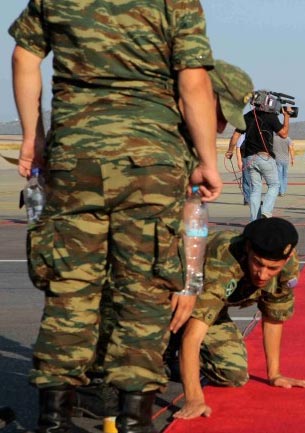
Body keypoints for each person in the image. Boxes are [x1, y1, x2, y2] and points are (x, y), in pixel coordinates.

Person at [10, 1, 225, 431]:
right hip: (149, 160)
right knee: (143, 293)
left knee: (70, 288)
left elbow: (23, 56)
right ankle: (134, 419)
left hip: (76, 156)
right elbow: (194, 80)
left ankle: (54, 420)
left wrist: (32, 136)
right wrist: (206, 158)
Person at [171, 217, 305, 420]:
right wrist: (194, 398)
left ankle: (172, 351)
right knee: (138, 368)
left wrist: (274, 375)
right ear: (248, 248)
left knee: (233, 374)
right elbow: (192, 336)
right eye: (258, 264)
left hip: (208, 304)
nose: (263, 274)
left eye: (272, 268)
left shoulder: (287, 265)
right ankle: (162, 346)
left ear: (289, 256)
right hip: (167, 290)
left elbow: (273, 317)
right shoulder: (224, 259)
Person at [228, 94, 291, 221]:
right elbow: (284, 134)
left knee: (255, 189)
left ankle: (254, 220)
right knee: (274, 185)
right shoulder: (271, 117)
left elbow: (235, 136)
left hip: (249, 159)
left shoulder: (246, 117)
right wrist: (287, 117)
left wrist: (230, 151)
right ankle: (266, 211)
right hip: (264, 157)